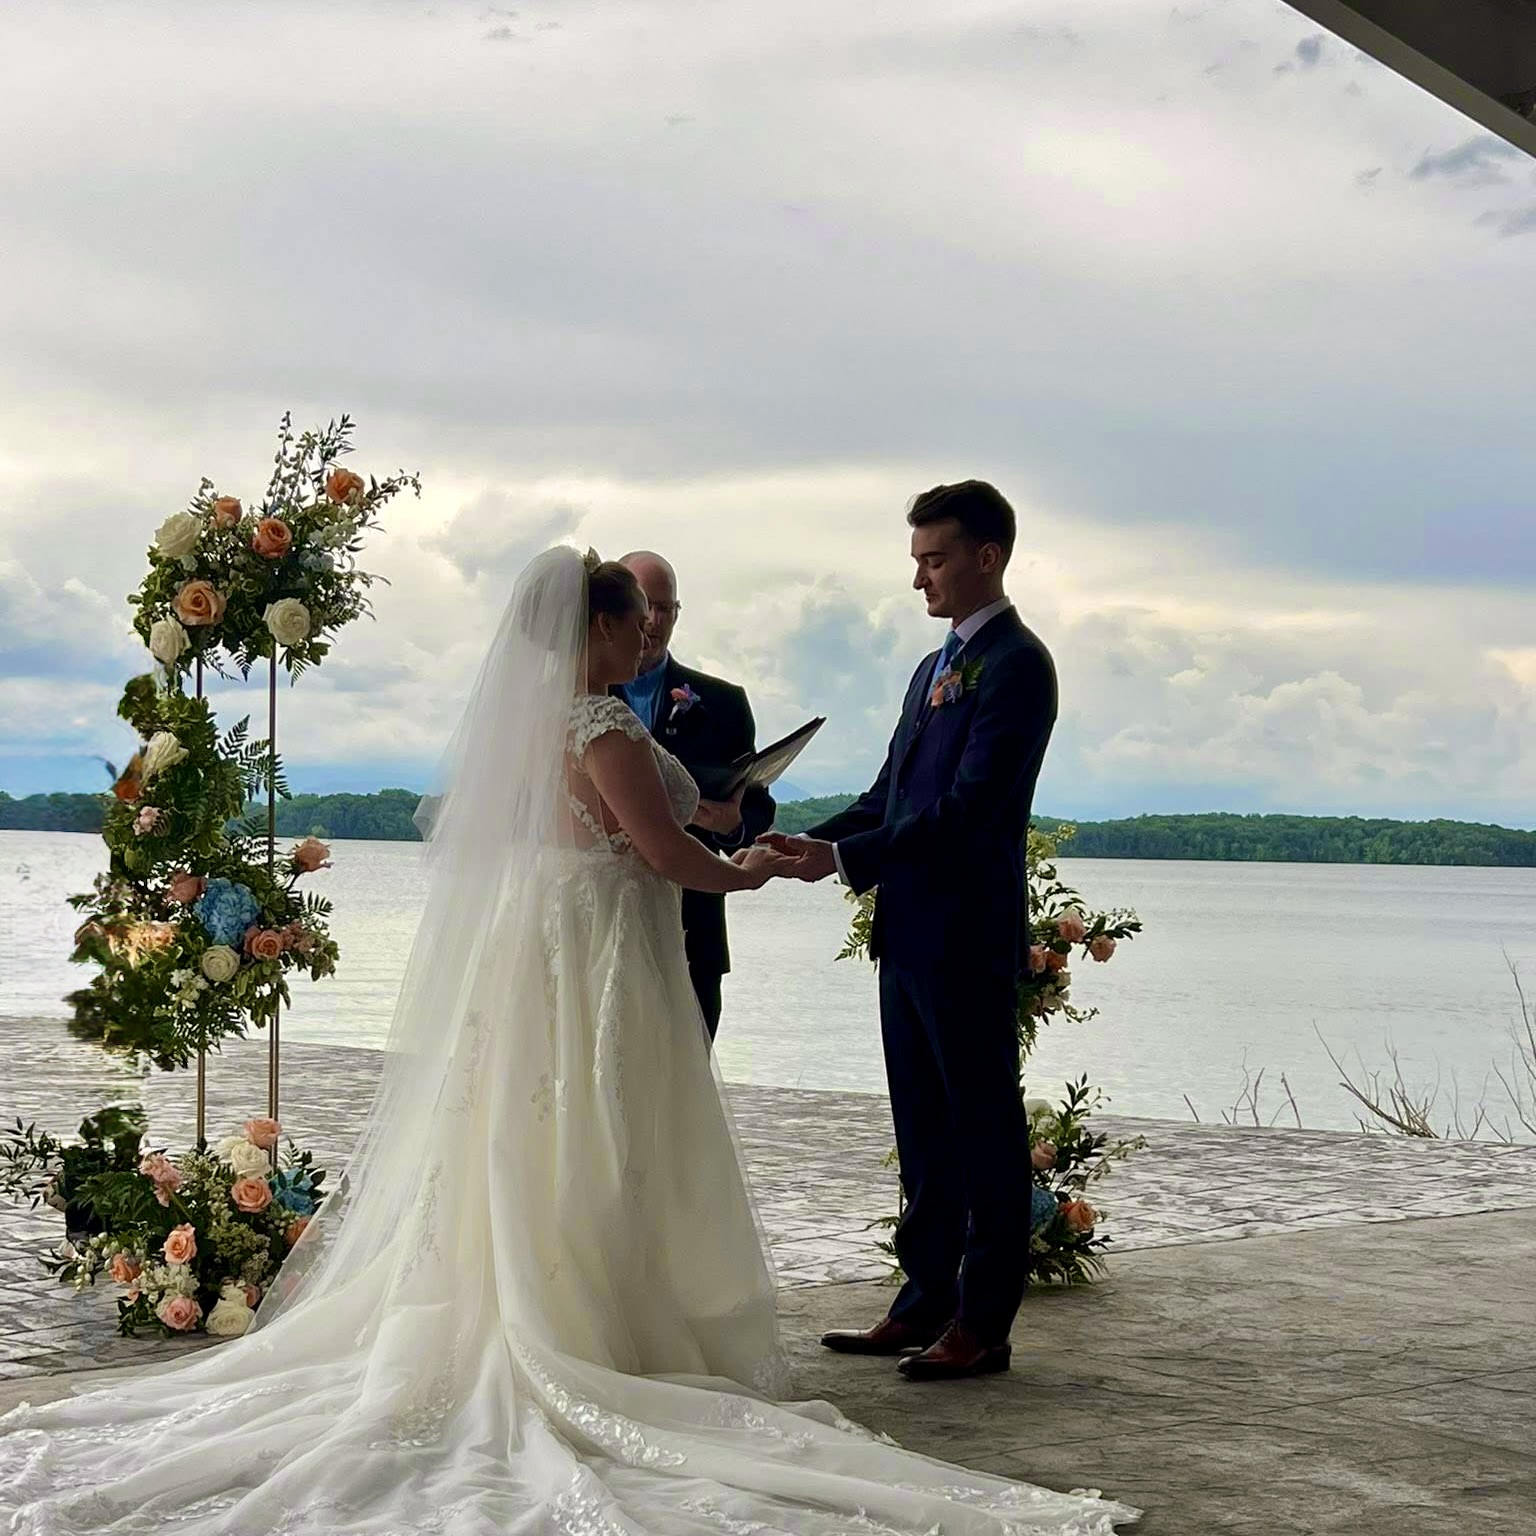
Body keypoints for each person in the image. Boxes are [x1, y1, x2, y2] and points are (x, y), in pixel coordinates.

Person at [0, 546, 1132, 1535]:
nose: (647, 627)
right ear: (591, 627)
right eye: (631, 614)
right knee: (601, 1124)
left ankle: (612, 1300)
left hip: (548, 945)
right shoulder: (599, 722)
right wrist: (741, 866)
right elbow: (664, 853)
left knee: (530, 1130)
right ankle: (601, 1327)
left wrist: (784, 842)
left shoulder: (560, 720)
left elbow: (673, 822)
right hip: (602, 951)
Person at [760, 482, 1058, 1382]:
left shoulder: (1017, 665)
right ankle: (923, 1298)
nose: (920, 578)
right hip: (908, 935)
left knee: (983, 1131)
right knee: (924, 1129)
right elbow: (889, 797)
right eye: (918, 560)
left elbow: (969, 813)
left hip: (967, 935)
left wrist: (846, 865)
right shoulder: (931, 672)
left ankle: (984, 1323)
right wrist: (807, 842)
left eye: (934, 559)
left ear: (986, 557)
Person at [615, 550, 775, 1042]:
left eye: (667, 608)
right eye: (645, 605)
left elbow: (756, 804)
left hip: (693, 932)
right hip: (603, 922)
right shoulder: (576, 696)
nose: (654, 621)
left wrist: (732, 824)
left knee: (687, 1097)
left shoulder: (723, 703)